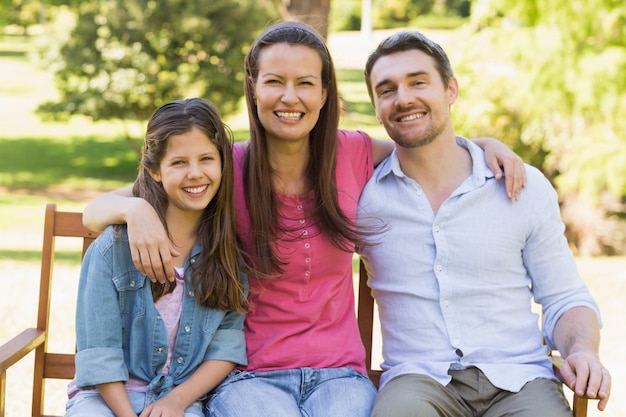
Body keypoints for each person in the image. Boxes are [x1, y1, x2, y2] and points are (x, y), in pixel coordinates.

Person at [82, 22, 526, 417]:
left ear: (324, 93)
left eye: (305, 83)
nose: (289, 97)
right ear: (253, 87)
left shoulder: (353, 152)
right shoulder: (227, 168)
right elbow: (94, 210)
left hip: (341, 376)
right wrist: (134, 207)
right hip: (248, 374)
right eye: (275, 81)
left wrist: (482, 144)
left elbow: (428, 152)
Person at [357, 31, 612, 417]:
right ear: (377, 109)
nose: (404, 98)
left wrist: (582, 350)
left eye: (418, 82)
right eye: (387, 89)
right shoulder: (362, 197)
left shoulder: (521, 186)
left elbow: (564, 297)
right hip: (418, 381)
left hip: (521, 380)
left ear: (451, 90)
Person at [65, 98, 248, 417]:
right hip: (104, 400)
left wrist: (175, 402)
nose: (195, 173)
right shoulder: (113, 249)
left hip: (180, 399)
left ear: (222, 163)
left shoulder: (226, 252)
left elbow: (226, 347)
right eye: (179, 162)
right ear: (154, 170)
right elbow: (99, 352)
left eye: (206, 158)